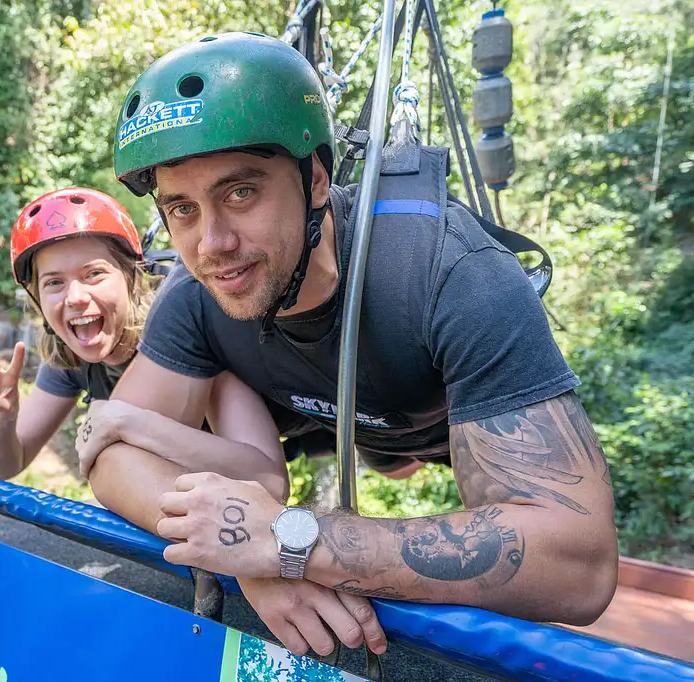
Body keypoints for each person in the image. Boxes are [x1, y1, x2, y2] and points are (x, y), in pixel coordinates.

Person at [76, 32, 619, 657]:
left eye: (240, 192)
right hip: (329, 416)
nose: (211, 243)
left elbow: (578, 565)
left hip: (438, 423)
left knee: (398, 458)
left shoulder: (453, 272)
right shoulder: (195, 295)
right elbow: (114, 457)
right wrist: (245, 552)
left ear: (313, 179)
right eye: (182, 209)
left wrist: (289, 541)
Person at [0, 187, 291, 503]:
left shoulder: (189, 334)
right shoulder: (69, 357)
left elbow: (269, 482)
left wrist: (128, 423)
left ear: (132, 277)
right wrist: (4, 423)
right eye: (54, 282)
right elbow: (6, 466)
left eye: (94, 274)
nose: (76, 298)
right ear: (38, 300)